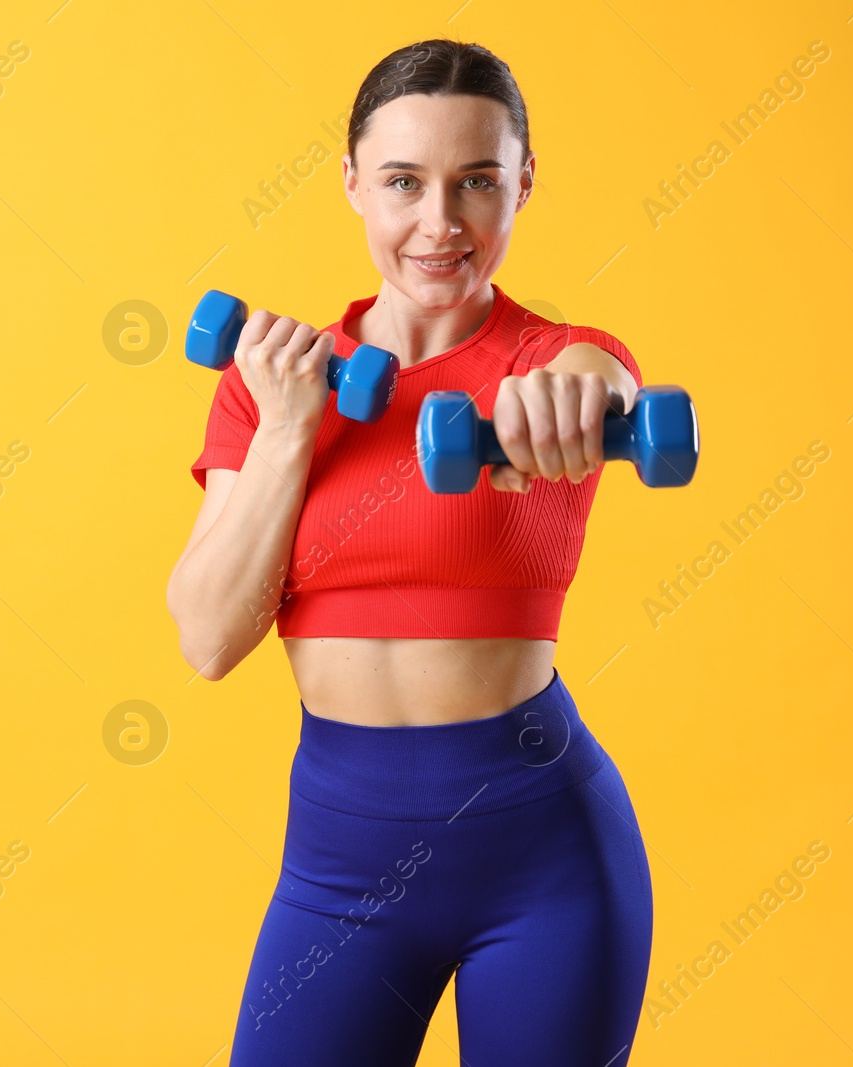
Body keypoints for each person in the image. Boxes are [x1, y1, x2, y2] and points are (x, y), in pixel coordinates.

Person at [168, 38, 654, 1067]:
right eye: (403, 183)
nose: (439, 224)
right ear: (351, 184)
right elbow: (208, 636)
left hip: (544, 860)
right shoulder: (270, 381)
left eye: (477, 182)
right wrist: (291, 428)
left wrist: (571, 398)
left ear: (522, 183)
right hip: (337, 870)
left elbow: (598, 375)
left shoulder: (545, 369)